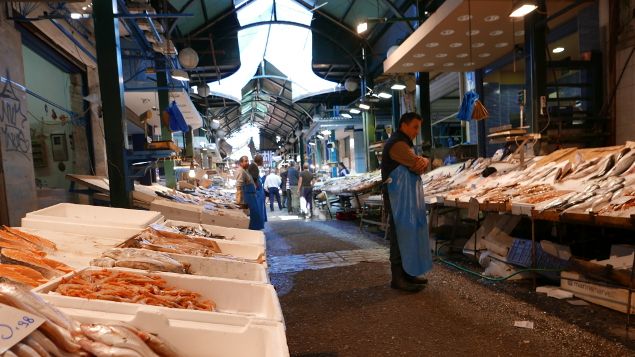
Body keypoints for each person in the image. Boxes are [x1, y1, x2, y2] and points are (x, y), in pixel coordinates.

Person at [381, 112, 433, 292]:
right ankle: (397, 279)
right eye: (415, 127)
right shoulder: (397, 145)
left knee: (409, 236)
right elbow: (416, 164)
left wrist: (422, 161)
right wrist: (424, 160)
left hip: (406, 199)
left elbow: (419, 165)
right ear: (404, 125)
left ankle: (408, 273)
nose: (417, 132)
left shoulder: (404, 143)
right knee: (399, 237)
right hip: (397, 200)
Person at [235, 156, 264, 230]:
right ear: (241, 163)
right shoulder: (240, 171)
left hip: (251, 194)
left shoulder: (245, 171)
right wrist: (239, 200)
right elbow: (239, 186)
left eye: (247, 161)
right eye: (245, 161)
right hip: (247, 195)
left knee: (254, 214)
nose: (247, 162)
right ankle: (253, 230)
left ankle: (255, 229)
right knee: (253, 213)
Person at [248, 154, 267, 223]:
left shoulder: (254, 166)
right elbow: (254, 180)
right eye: (262, 160)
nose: (263, 162)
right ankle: (258, 222)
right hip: (257, 192)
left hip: (258, 191)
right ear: (260, 161)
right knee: (258, 208)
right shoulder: (254, 167)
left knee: (259, 208)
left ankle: (259, 221)